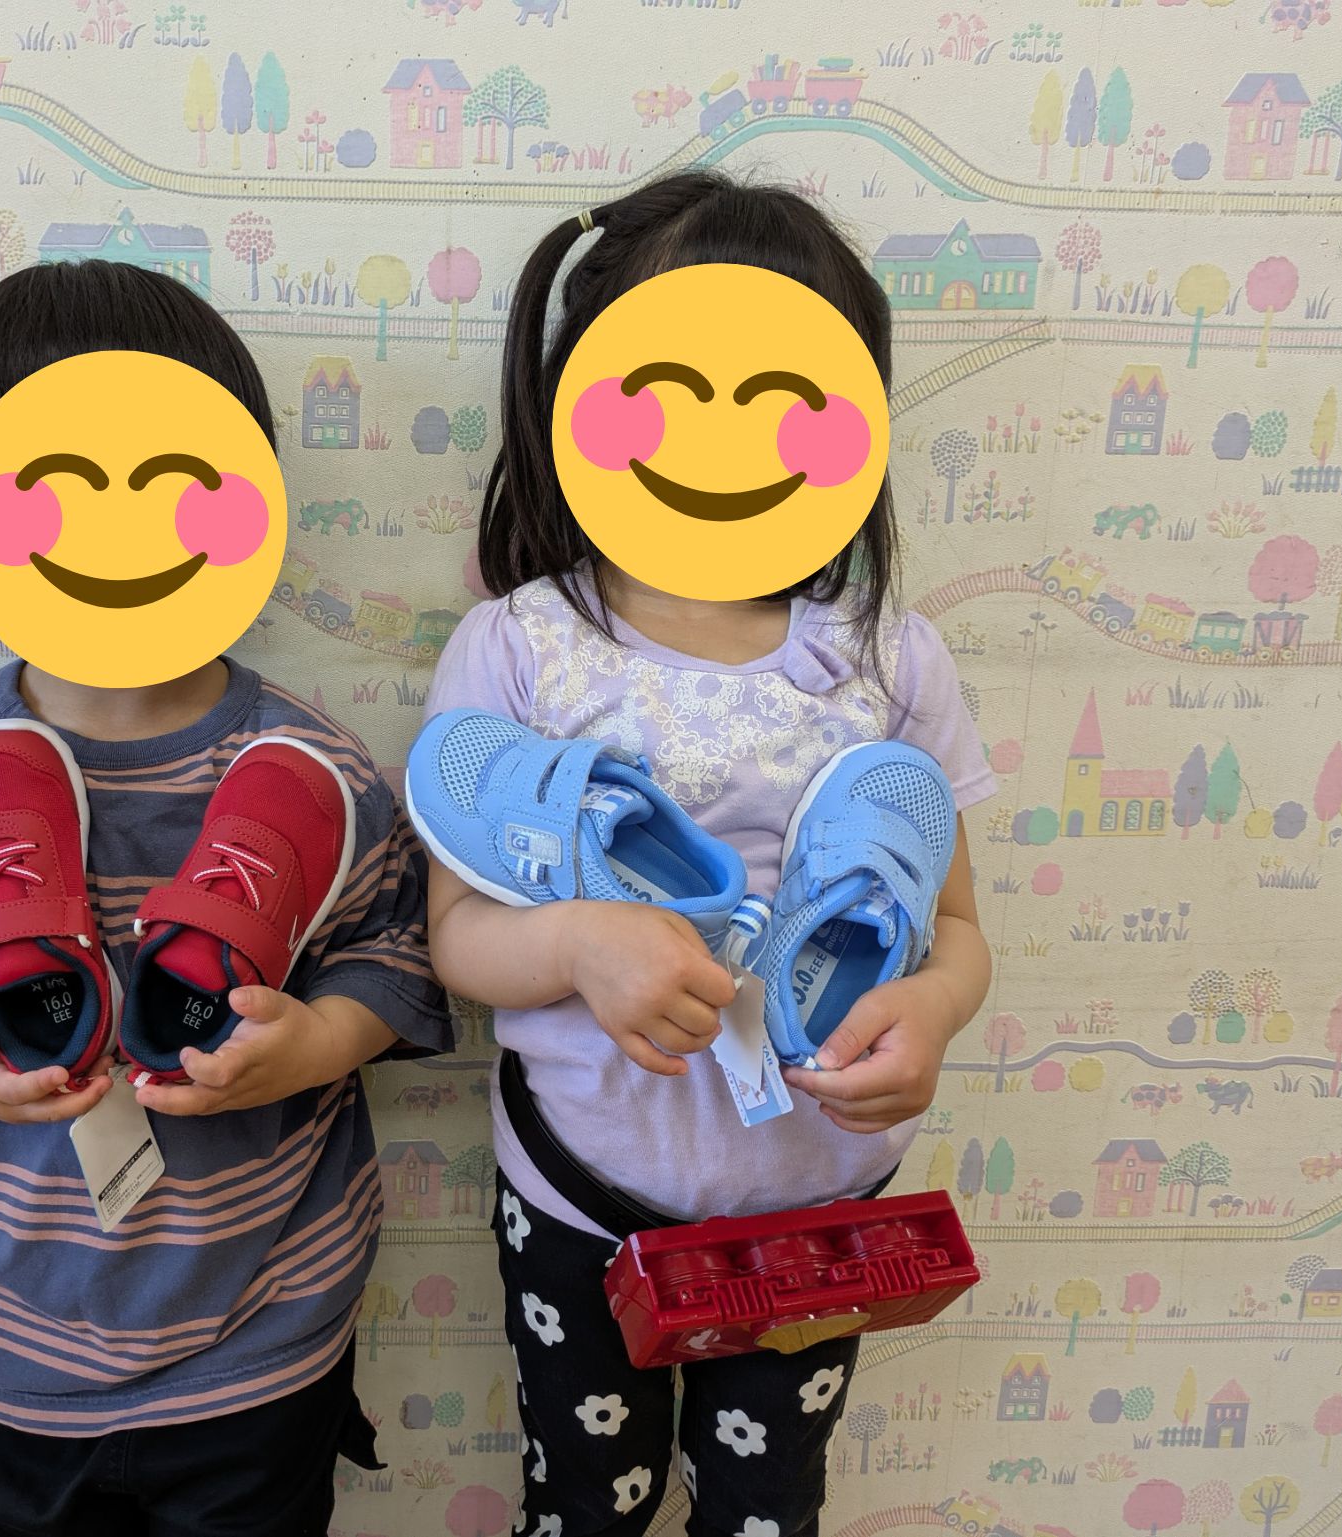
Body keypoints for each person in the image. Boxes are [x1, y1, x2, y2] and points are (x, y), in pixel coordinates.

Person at [0, 259, 450, 1536]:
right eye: (60, 485)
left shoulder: (311, 769)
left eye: (166, 483)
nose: (115, 527)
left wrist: (310, 1045)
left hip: (260, 1338)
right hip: (10, 1341)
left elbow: (397, 949)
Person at [422, 173, 996, 1537]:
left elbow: (961, 930)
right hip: (581, 1189)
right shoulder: (519, 649)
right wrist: (575, 941)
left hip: (815, 1202)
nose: (725, 438)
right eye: (676, 390)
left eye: (779, 394)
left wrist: (930, 1009)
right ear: (581, 396)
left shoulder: (888, 658)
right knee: (584, 1506)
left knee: (767, 1509)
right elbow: (452, 936)